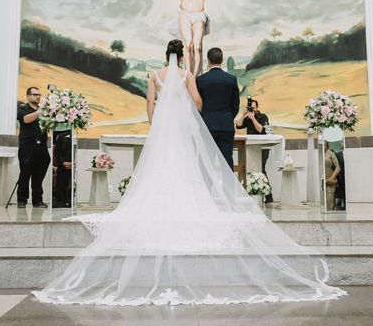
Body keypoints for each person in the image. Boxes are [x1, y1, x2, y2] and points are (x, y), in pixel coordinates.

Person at [33, 41, 345, 306]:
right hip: (181, 131)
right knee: (186, 170)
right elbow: (197, 102)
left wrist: (156, 123)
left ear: (164, 54)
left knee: (158, 170)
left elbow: (150, 103)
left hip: (162, 132)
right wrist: (186, 114)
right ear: (182, 56)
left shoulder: (155, 75)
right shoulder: (185, 75)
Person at [195, 47, 240, 170]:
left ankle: (207, 189)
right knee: (226, 161)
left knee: (206, 164)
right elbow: (236, 105)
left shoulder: (201, 80)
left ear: (208, 61)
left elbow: (197, 104)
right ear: (222, 60)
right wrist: (228, 117)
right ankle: (228, 189)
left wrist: (203, 119)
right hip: (226, 126)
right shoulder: (231, 79)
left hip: (207, 126)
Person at [16, 87, 50, 208]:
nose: (37, 97)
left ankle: (37, 200)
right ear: (28, 96)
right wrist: (39, 112)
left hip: (41, 147)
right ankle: (22, 200)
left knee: (38, 176)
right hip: (27, 147)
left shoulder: (43, 110)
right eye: (35, 94)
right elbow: (25, 120)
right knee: (25, 174)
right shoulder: (22, 109)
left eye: (39, 95)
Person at [235, 97, 273, 203]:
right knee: (249, 169)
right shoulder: (247, 119)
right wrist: (244, 114)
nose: (252, 110)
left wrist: (252, 118)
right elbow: (238, 125)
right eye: (250, 108)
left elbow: (261, 129)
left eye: (253, 108)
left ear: (257, 108)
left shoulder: (262, 116)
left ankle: (268, 195)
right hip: (250, 147)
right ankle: (251, 192)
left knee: (261, 168)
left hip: (262, 147)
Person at [324, 141, 341, 211]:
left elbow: (338, 167)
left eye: (325, 145)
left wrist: (332, 177)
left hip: (329, 180)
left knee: (329, 201)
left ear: (327, 146)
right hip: (320, 180)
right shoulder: (317, 152)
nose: (324, 147)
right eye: (323, 145)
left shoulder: (330, 153)